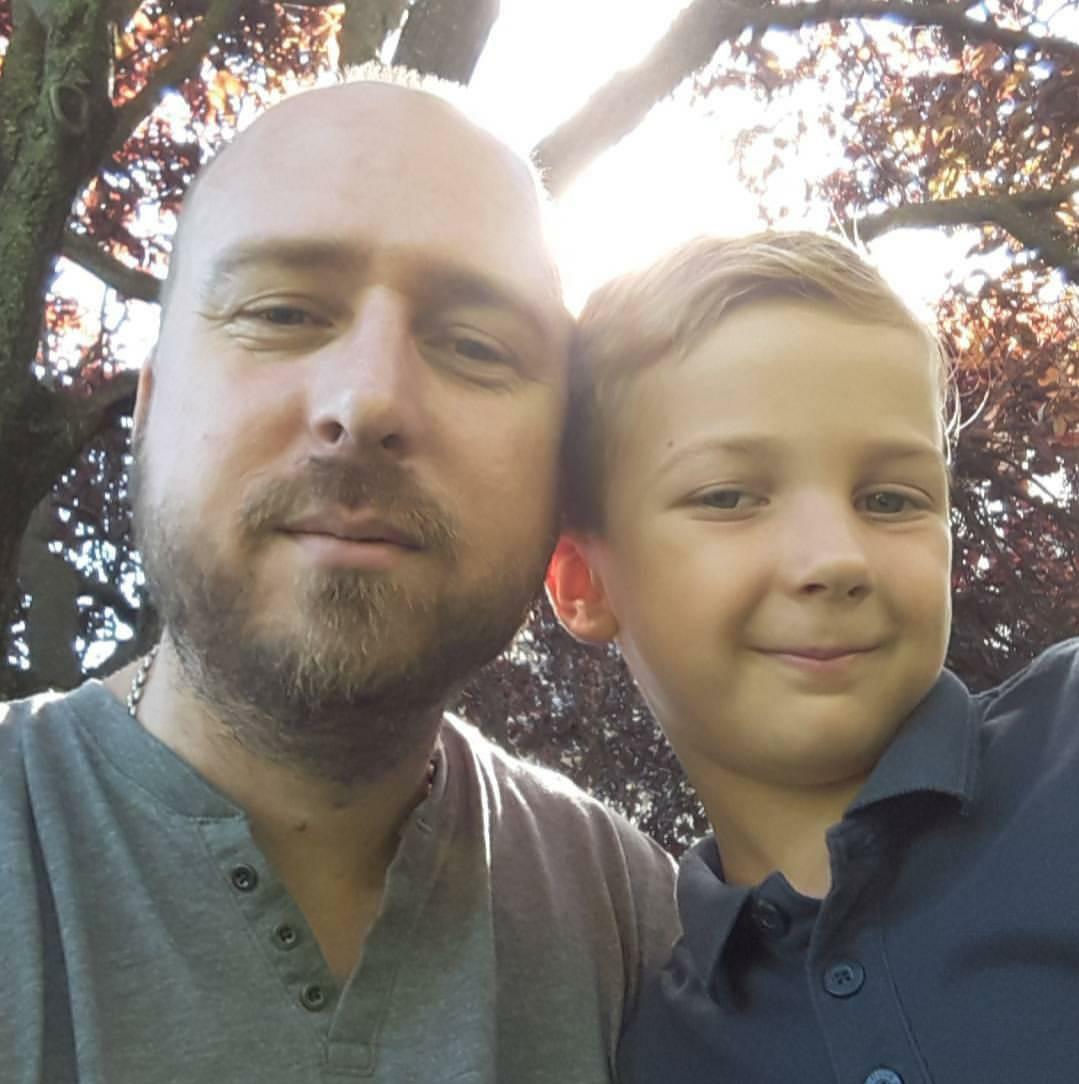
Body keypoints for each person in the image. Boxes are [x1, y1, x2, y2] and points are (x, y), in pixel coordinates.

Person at [0, 72, 679, 1084]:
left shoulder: (640, 933)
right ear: (148, 410)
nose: (367, 400)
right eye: (281, 311)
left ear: (558, 469)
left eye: (474, 345)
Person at [547, 230, 1079, 1083]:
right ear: (583, 583)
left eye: (890, 499)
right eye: (728, 496)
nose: (834, 558)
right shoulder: (659, 1054)